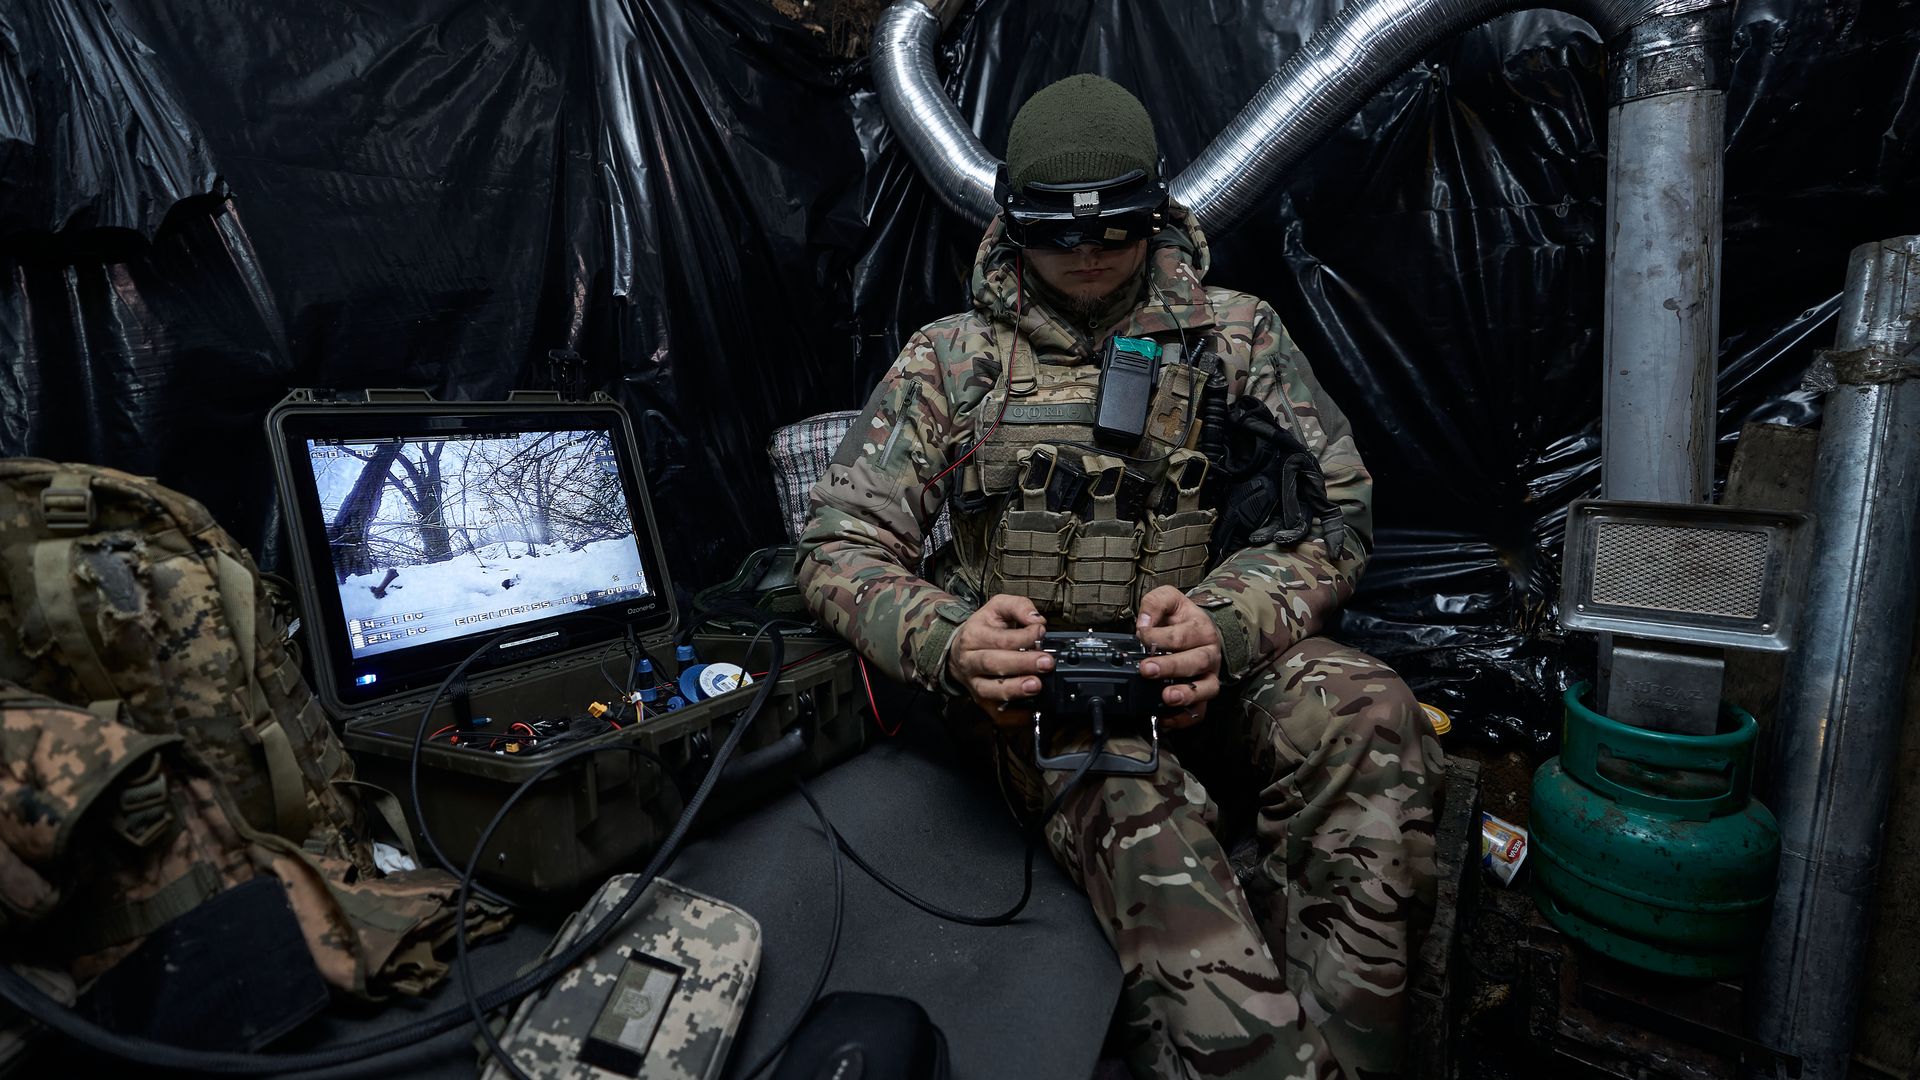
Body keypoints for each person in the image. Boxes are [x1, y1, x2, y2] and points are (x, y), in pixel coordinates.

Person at [798, 73, 1442, 1080]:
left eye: (1116, 230)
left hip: (1198, 671)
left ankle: (1350, 1056)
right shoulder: (952, 361)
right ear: (1015, 226)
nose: (1091, 253)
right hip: (1034, 703)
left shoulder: (1237, 340)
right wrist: (950, 641)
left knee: (1366, 708)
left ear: (1157, 212)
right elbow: (839, 546)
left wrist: (1223, 623)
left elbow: (1336, 521)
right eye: (1062, 234)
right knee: (1138, 804)